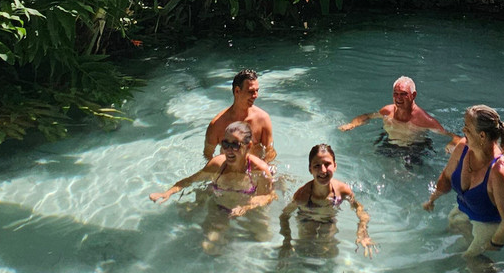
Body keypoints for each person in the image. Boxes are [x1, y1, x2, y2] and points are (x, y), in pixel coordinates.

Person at [150, 121, 275, 252]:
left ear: (248, 146)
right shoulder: (216, 164)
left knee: (264, 239)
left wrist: (246, 207)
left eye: (235, 145)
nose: (229, 150)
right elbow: (190, 181)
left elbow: (268, 196)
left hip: (250, 209)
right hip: (220, 207)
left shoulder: (259, 170)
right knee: (209, 248)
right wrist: (167, 193)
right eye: (225, 144)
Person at [422, 105, 504, 258]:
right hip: (465, 210)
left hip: (490, 224)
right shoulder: (463, 146)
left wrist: (494, 244)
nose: (463, 131)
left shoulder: (499, 172)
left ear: (482, 135)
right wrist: (432, 199)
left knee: (468, 259)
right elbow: (447, 177)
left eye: (467, 127)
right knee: (450, 237)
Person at [279, 144, 375, 260]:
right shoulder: (302, 196)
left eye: (327, 164)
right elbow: (284, 216)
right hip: (307, 219)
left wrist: (362, 231)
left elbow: (360, 210)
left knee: (331, 252)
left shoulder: (342, 191)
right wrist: (287, 241)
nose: (323, 170)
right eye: (317, 166)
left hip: (329, 221)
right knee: (304, 252)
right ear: (310, 169)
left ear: (335, 166)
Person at [339, 76, 457, 147]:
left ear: (413, 95)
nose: (398, 98)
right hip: (389, 143)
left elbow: (453, 136)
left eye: (403, 94)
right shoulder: (387, 111)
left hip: (413, 149)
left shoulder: (424, 120)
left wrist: (452, 142)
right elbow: (367, 116)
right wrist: (352, 124)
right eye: (396, 94)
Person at [204, 69, 276, 162]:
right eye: (251, 92)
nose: (255, 95)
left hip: (255, 169)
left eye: (257, 91)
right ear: (237, 91)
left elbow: (270, 152)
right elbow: (208, 155)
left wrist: (261, 167)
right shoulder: (217, 124)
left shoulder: (262, 119)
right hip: (230, 170)